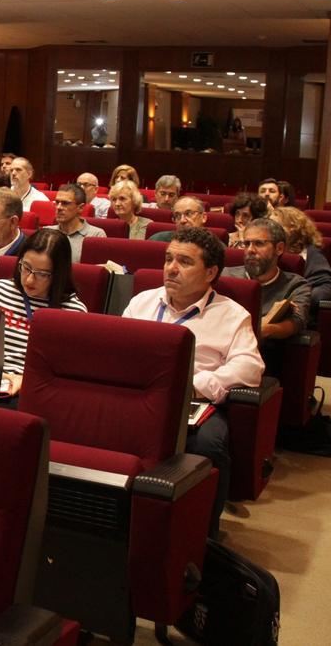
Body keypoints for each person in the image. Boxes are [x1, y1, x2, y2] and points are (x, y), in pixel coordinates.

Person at [123, 227, 264, 536]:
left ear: (211, 272)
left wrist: (197, 381)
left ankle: (202, 537)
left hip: (196, 402)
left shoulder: (231, 314)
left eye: (184, 262)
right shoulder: (141, 303)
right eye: (168, 259)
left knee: (209, 444)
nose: (171, 268)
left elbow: (250, 366)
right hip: (139, 397)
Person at [0, 229, 87, 408]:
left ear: (58, 274)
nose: (29, 279)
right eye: (26, 267)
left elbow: (66, 372)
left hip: (36, 389)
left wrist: (27, 380)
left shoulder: (73, 312)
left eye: (42, 274)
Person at [223, 218, 312, 376]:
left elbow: (297, 321)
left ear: (279, 248)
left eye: (259, 243)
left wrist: (267, 329)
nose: (250, 250)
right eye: (246, 243)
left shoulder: (296, 285)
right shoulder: (225, 277)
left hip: (262, 359)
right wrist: (259, 327)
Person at [270, 206, 331, 311]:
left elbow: (327, 289)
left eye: (274, 226)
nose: (268, 230)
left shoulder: (310, 253)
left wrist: (297, 302)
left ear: (292, 228)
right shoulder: (267, 251)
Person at [45, 183, 106, 260]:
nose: (59, 207)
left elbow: (95, 269)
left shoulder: (96, 235)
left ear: (80, 208)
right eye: (57, 202)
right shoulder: (46, 231)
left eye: (65, 203)